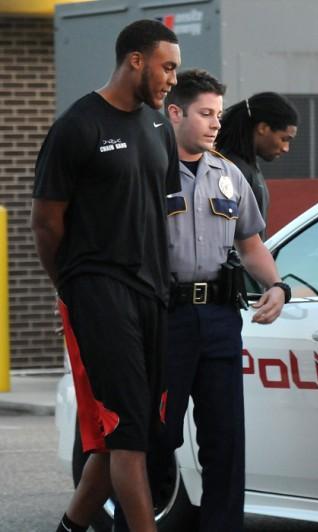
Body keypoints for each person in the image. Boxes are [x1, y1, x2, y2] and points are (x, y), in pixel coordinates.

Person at [31, 19, 181, 532]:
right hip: (97, 291)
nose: (171, 79)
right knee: (129, 437)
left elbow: (159, 213)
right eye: (167, 67)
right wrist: (70, 290)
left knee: (127, 436)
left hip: (152, 294)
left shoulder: (158, 126)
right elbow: (46, 223)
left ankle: (70, 528)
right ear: (135, 61)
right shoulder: (78, 126)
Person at [158, 69, 289, 532]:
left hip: (217, 318)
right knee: (157, 436)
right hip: (163, 319)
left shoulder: (228, 174)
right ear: (175, 112)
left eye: (217, 113)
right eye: (205, 113)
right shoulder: (145, 171)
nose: (215, 123)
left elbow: (250, 245)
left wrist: (277, 287)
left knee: (225, 441)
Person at [215, 91, 298, 239]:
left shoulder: (248, 167)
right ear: (263, 128)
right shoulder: (231, 170)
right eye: (284, 138)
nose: (286, 148)